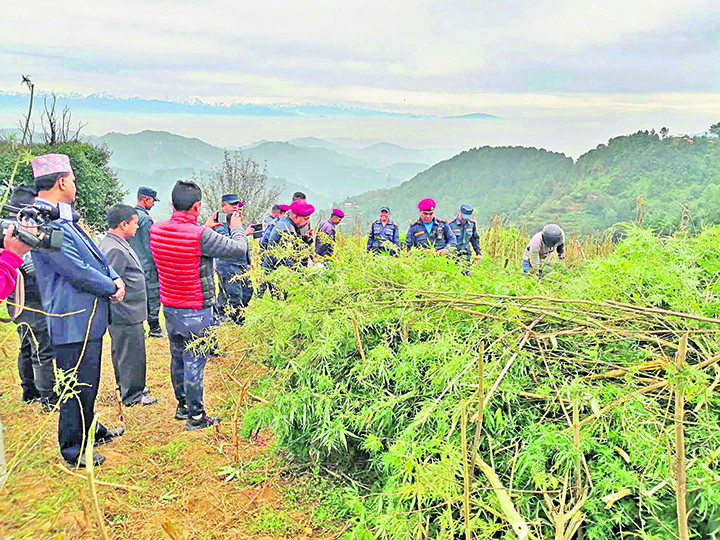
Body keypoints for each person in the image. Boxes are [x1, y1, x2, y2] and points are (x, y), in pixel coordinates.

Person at [31, 153, 125, 467]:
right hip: (72, 319)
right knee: (77, 385)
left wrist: (112, 275)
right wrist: (112, 287)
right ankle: (73, 448)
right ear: (61, 182)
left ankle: (90, 429)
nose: (74, 185)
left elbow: (93, 257)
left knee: (89, 379)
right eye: (72, 180)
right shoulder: (43, 222)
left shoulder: (61, 217)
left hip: (86, 317)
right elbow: (76, 269)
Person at [150, 180, 248, 430]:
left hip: (170, 307)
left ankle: (183, 406)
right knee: (195, 360)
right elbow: (238, 249)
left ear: (172, 204)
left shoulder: (157, 230)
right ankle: (196, 416)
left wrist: (202, 227)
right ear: (197, 206)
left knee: (178, 357)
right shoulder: (200, 236)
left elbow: (182, 244)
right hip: (196, 308)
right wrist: (236, 226)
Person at [100, 205, 158, 408]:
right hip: (124, 311)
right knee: (130, 353)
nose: (136, 227)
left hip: (129, 311)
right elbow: (111, 283)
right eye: (134, 223)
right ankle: (132, 395)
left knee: (128, 351)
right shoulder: (114, 248)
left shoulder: (117, 242)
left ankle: (130, 386)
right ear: (123, 224)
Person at [5, 185, 57, 411]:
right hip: (31, 300)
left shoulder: (5, 229)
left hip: (15, 300)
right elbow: (30, 270)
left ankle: (29, 390)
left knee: (26, 344)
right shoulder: (15, 231)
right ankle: (47, 397)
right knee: (42, 349)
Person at [208, 194, 253, 324]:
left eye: (237, 205)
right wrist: (242, 232)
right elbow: (228, 243)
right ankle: (237, 320)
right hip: (227, 264)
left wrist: (248, 262)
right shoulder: (219, 224)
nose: (235, 207)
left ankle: (222, 314)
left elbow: (244, 246)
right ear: (223, 206)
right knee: (234, 295)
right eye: (232, 204)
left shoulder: (236, 221)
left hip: (240, 263)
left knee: (247, 291)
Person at [128, 187, 163, 338]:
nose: (153, 204)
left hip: (133, 263)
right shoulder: (146, 219)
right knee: (153, 295)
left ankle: (138, 328)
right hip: (147, 265)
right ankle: (154, 328)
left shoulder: (130, 216)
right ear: (146, 200)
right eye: (153, 201)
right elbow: (149, 245)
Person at [261, 200, 315, 271]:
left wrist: (305, 239)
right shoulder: (287, 230)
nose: (307, 222)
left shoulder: (287, 223)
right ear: (295, 217)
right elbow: (290, 257)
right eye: (305, 219)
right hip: (276, 272)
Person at [449, 204, 482, 273]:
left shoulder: (471, 225)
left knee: (466, 276)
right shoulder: (450, 225)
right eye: (463, 217)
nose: (465, 219)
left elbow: (474, 239)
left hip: (466, 256)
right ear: (459, 212)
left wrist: (478, 253)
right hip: (452, 256)